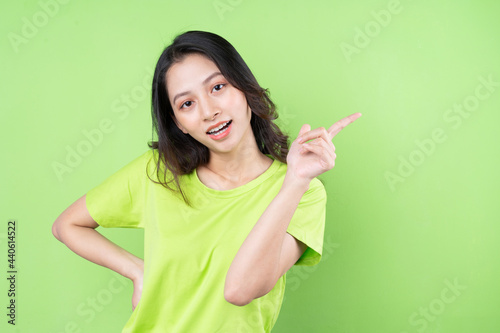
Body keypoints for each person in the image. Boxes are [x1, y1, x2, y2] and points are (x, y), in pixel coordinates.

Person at [52, 30, 361, 332]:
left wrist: (295, 180)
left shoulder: (302, 192)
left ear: (244, 88)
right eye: (187, 104)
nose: (209, 111)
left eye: (217, 88)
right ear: (178, 124)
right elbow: (67, 225)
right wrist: (136, 271)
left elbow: (239, 290)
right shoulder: (158, 173)